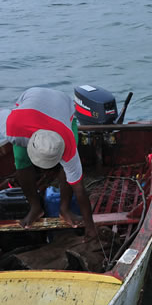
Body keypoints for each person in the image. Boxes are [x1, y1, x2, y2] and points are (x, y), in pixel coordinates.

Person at [0, 87, 97, 240]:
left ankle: (64, 208)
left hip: (62, 105)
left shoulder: (67, 143)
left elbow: (79, 189)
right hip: (30, 99)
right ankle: (35, 207)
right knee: (20, 161)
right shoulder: (12, 128)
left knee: (69, 171)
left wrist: (90, 226)